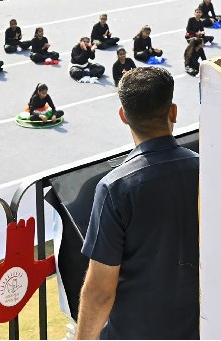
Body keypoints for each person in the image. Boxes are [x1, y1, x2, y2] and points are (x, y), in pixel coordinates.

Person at [76, 67, 199, 340]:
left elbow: (100, 290)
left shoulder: (115, 188)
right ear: (173, 112)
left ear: (123, 116)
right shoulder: (206, 170)